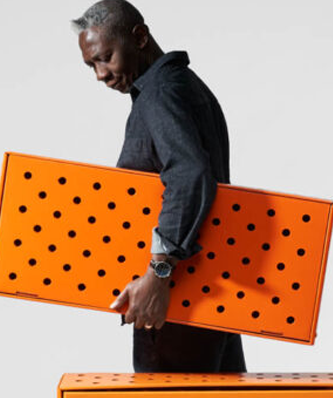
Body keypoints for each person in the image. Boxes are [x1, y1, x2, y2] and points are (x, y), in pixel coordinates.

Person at [71, 0, 247, 373]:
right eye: (92, 65)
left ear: (139, 36)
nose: (100, 74)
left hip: (179, 297)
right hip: (210, 290)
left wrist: (159, 274)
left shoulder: (160, 94)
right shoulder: (181, 86)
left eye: (105, 58)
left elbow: (188, 175)